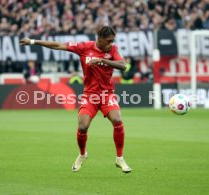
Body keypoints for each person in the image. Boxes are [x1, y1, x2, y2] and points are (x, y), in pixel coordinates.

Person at [20, 26, 132, 173]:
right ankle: (82, 154)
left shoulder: (112, 50)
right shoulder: (84, 47)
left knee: (117, 120)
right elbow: (58, 45)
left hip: (107, 94)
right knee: (82, 127)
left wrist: (102, 61)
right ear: (100, 39)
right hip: (90, 95)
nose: (111, 44)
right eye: (109, 41)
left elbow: (123, 66)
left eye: (113, 41)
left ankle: (119, 159)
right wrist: (33, 41)